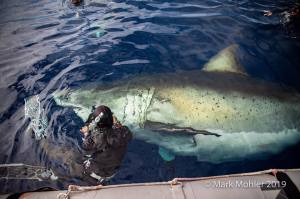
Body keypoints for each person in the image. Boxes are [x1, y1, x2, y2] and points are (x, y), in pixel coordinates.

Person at [80, 105, 132, 183]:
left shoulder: (94, 138)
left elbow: (85, 147)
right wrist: (117, 123)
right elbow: (125, 132)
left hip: (95, 173)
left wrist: (86, 133)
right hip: (113, 171)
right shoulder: (125, 132)